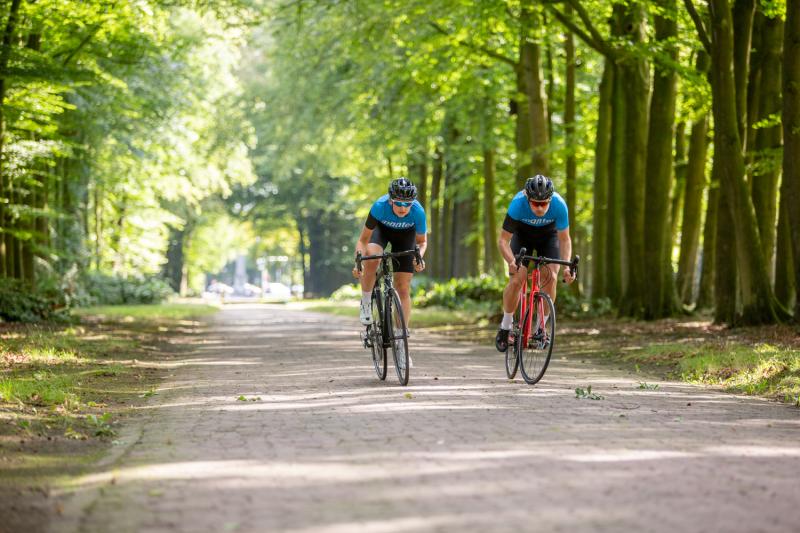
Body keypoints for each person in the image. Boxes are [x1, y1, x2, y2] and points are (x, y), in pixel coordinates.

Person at [495, 174, 575, 352]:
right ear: (527, 198)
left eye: (544, 203)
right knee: (517, 279)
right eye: (535, 203)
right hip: (522, 237)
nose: (540, 207)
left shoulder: (559, 204)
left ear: (550, 200)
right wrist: (511, 261)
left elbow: (565, 240)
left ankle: (540, 329)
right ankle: (505, 326)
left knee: (551, 277)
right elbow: (503, 240)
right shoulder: (517, 204)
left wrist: (567, 267)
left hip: (549, 237)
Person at [352, 177, 427, 328]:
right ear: (390, 200)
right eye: (398, 203)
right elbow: (363, 240)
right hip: (381, 231)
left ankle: (401, 334)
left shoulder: (418, 211)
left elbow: (422, 242)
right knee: (372, 258)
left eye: (407, 204)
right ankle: (366, 302)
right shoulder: (379, 206)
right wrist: (358, 263)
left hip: (406, 236)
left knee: (403, 287)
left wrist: (419, 258)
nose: (403, 208)